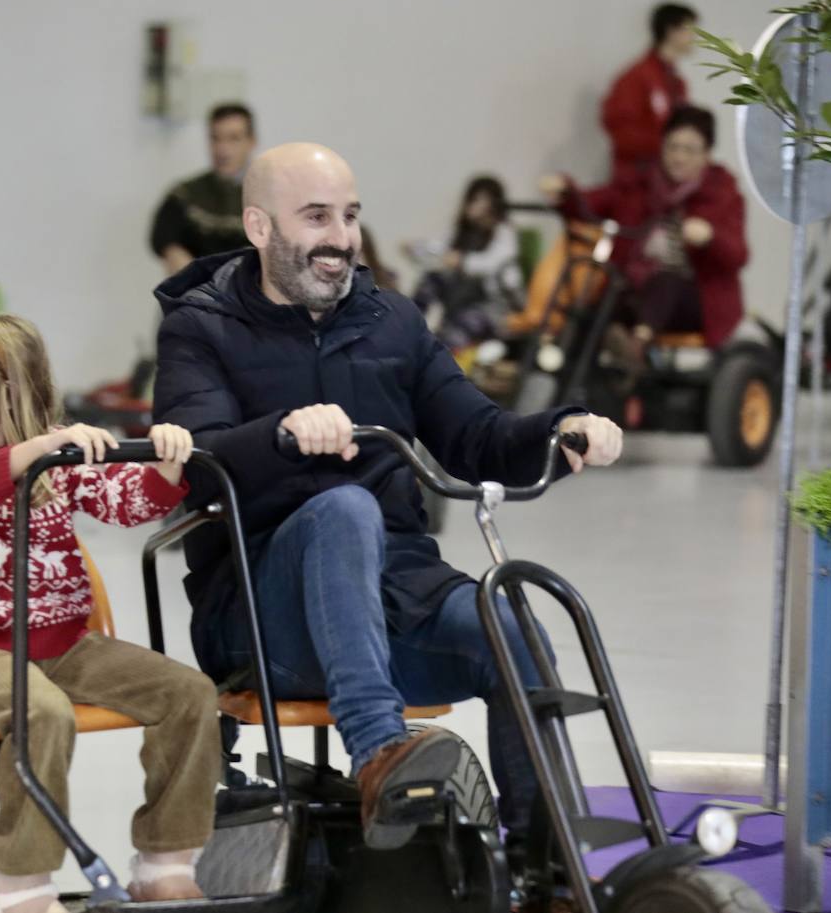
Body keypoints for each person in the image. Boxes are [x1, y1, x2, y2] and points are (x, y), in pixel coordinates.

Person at [152, 142, 623, 855]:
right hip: (259, 615)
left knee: (511, 623)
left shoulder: (392, 321)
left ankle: (541, 866)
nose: (340, 237)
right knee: (344, 507)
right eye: (316, 216)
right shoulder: (200, 324)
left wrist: (566, 429)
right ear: (258, 226)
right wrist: (281, 432)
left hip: (397, 593)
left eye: (350, 216)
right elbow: (195, 455)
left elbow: (479, 436)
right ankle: (379, 755)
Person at [0, 303, 219, 913]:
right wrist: (41, 449)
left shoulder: (59, 463)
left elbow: (128, 503)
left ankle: (164, 861)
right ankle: (21, 881)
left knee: (190, 693)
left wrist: (167, 464)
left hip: (67, 643)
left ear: (10, 390)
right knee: (44, 713)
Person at [542, 105, 748, 360]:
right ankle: (563, 361)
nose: (679, 157)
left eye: (689, 150)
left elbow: (737, 254)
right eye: (673, 147)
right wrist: (565, 191)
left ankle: (635, 350)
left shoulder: (723, 195)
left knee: (665, 281)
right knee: (599, 303)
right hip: (635, 290)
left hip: (694, 299)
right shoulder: (639, 185)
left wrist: (710, 237)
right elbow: (591, 204)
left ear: (706, 155)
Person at [407, 175, 524, 348]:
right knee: (431, 280)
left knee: (452, 335)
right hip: (461, 300)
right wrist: (418, 250)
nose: (472, 204)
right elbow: (442, 252)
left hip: (491, 306)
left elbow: (491, 264)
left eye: (479, 199)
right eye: (472, 198)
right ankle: (408, 326)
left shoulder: (504, 232)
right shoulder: (463, 231)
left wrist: (461, 261)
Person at [149, 103, 256, 276]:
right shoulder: (183, 195)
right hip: (195, 296)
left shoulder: (268, 197)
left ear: (251, 141)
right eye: (215, 138)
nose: (223, 149)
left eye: (233, 138)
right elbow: (170, 249)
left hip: (251, 297)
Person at [602, 2, 697, 181]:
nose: (695, 37)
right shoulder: (637, 77)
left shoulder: (677, 83)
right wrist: (666, 147)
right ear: (671, 31)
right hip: (637, 182)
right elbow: (619, 127)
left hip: (667, 179)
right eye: (690, 30)